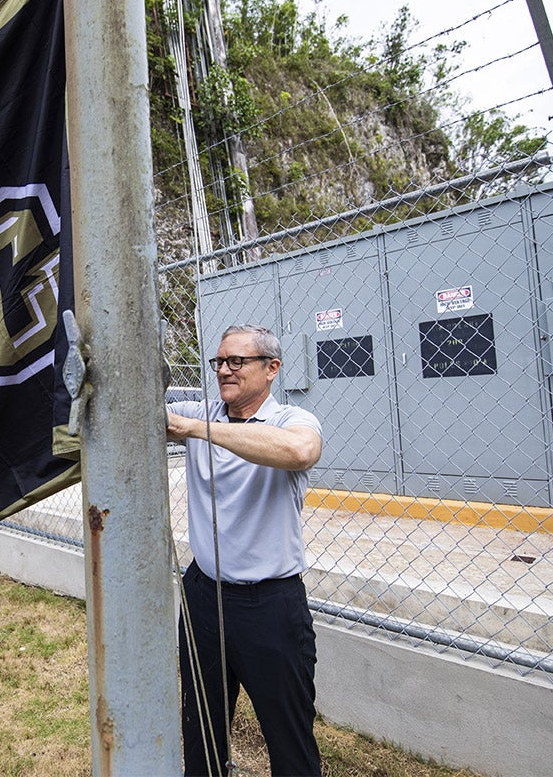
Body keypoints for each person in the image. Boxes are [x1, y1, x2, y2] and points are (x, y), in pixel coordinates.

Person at [166, 324, 324, 777]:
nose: (224, 371)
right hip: (203, 597)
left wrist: (196, 428)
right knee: (201, 728)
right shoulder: (203, 410)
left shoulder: (291, 420)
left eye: (238, 361)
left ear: (272, 369)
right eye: (219, 362)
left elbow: (299, 451)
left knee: (288, 737)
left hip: (269, 605)